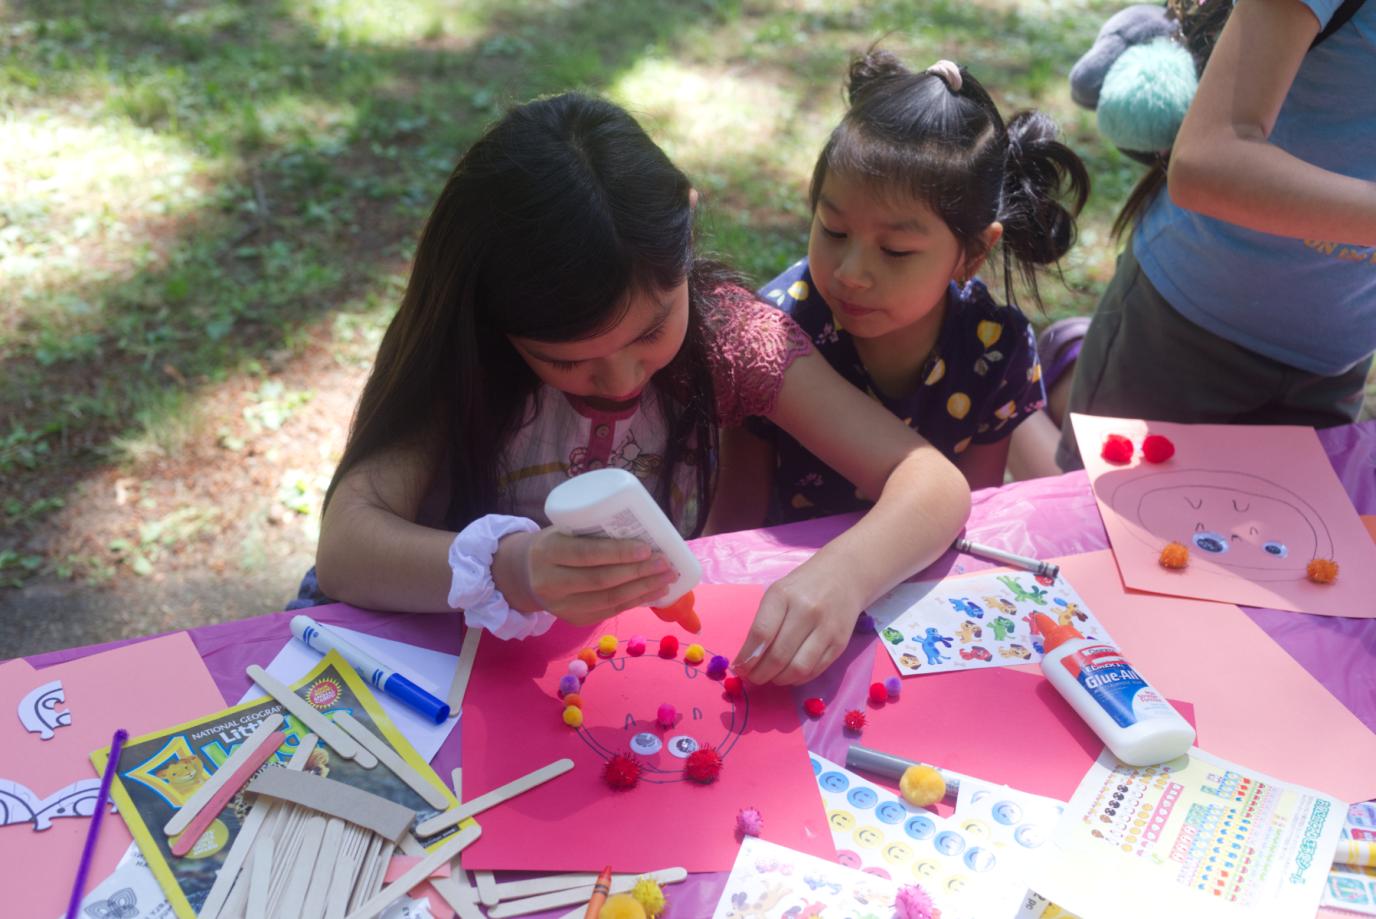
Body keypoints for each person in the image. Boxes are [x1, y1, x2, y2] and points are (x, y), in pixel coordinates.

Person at [304, 92, 971, 686]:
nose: (621, 378)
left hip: (634, 675)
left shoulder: (730, 339)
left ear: (685, 230)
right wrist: (512, 567)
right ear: (496, 321)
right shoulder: (469, 359)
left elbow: (931, 483)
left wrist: (844, 574)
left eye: (652, 329)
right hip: (450, 681)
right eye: (569, 360)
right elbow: (344, 549)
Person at [717, 51, 1088, 526]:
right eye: (833, 230)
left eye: (895, 251)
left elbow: (973, 522)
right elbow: (735, 531)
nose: (850, 272)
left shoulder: (995, 351)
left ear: (972, 253)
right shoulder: (773, 332)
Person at [1051, 0, 1376, 471]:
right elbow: (1206, 162)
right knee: (1111, 540)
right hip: (1183, 333)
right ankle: (1044, 384)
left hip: (1333, 368)